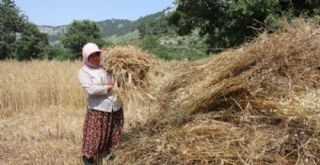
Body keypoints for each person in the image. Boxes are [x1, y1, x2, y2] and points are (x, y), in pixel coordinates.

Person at [78, 42, 124, 165]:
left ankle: (110, 153)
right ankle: (88, 158)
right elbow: (91, 89)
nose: (95, 58)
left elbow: (120, 78)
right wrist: (109, 86)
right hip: (99, 109)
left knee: (114, 131)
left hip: (115, 105)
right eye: (91, 56)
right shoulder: (84, 72)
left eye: (97, 55)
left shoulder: (107, 67)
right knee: (95, 136)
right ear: (86, 58)